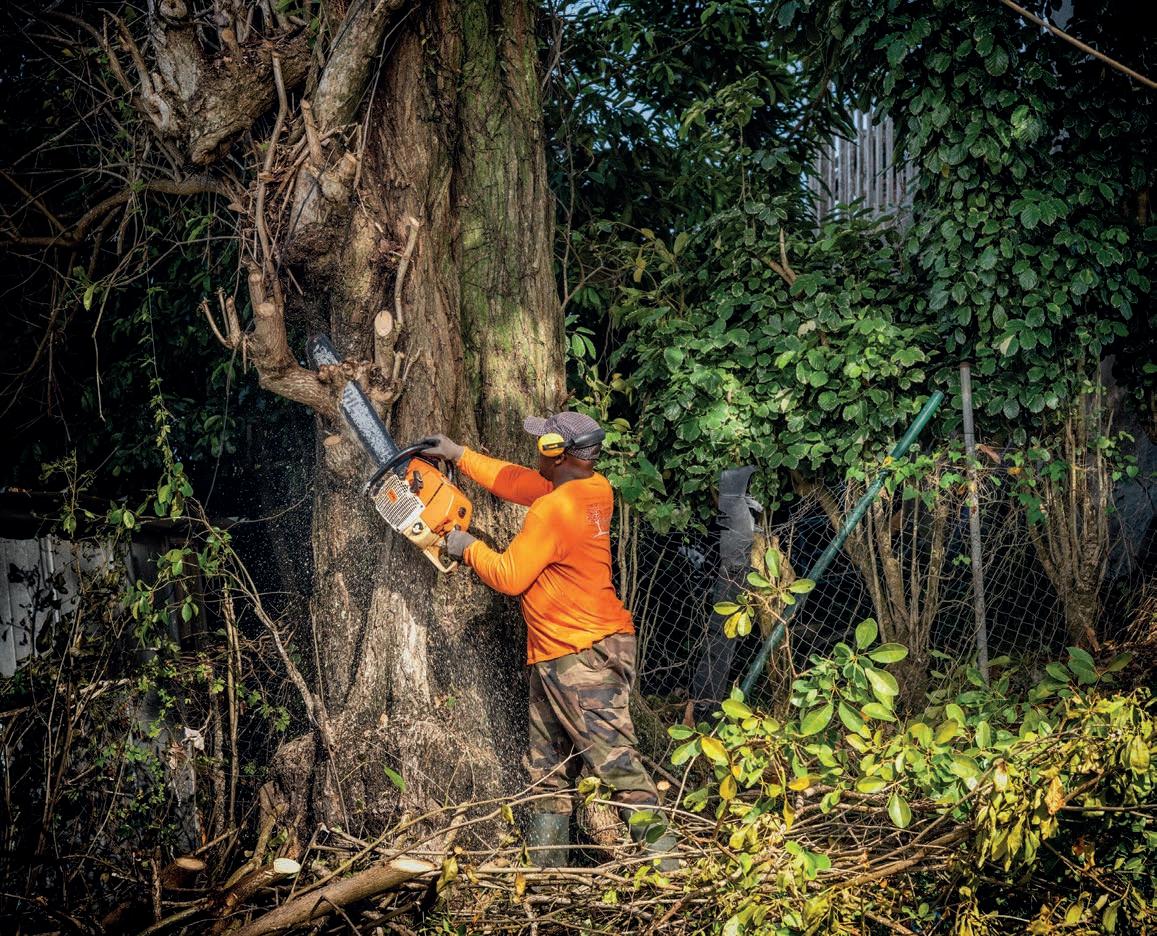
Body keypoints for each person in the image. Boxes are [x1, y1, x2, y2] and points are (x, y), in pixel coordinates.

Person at [421, 412, 677, 869]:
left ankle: (669, 870)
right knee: (548, 771)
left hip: (582, 654)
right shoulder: (594, 488)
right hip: (563, 652)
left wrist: (467, 547)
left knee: (617, 765)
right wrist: (459, 456)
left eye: (543, 443)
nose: (536, 450)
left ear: (556, 452)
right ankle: (547, 878)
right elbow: (517, 481)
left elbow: (509, 576)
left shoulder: (554, 510)